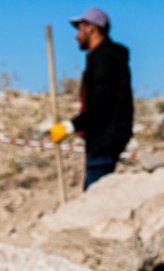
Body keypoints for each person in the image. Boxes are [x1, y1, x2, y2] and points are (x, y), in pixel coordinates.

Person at [48, 7, 134, 190]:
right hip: (105, 138)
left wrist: (70, 126)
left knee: (95, 195)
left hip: (104, 139)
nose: (76, 36)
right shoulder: (108, 57)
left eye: (80, 29)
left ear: (91, 28)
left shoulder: (104, 59)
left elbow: (101, 104)